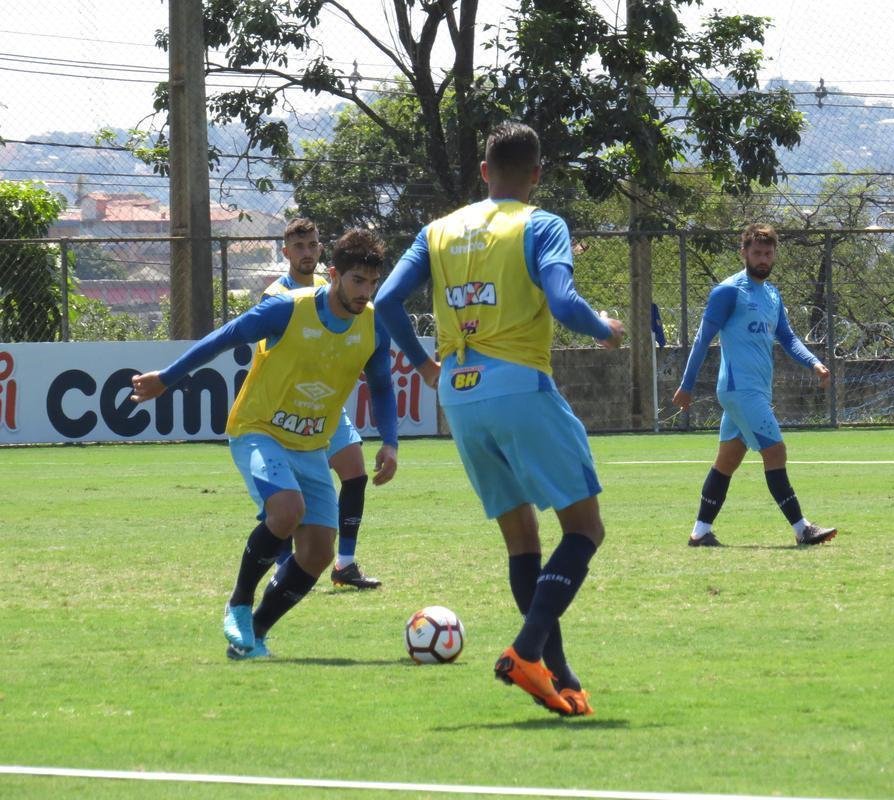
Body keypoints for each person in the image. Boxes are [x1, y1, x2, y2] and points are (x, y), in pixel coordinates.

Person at [375, 121, 624, 717]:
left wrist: (424, 365)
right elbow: (562, 301)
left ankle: (557, 675)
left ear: (484, 170)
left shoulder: (436, 231)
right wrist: (604, 328)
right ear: (536, 174)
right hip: (518, 385)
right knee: (585, 529)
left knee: (522, 540)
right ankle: (527, 650)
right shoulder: (541, 224)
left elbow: (385, 301)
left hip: (458, 395)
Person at [130, 228, 399, 659]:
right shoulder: (287, 309)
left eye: (372, 283)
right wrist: (167, 378)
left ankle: (254, 633)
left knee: (318, 553)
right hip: (259, 429)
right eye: (356, 281)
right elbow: (224, 337)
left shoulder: (373, 324)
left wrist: (390, 441)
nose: (364, 292)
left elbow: (382, 385)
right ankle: (238, 602)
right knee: (287, 510)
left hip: (310, 443)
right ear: (334, 275)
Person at [671, 222, 836, 548]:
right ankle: (802, 529)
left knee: (727, 461)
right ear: (743, 252)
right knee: (775, 451)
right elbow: (702, 339)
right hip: (739, 390)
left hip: (755, 391)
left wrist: (813, 362)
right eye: (757, 252)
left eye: (768, 253)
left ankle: (700, 532)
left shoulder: (772, 294)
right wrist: (686, 385)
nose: (763, 259)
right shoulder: (728, 291)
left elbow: (787, 338)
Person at [265, 217, 382, 589]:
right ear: (286, 252)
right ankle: (283, 566)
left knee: (356, 474)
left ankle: (344, 564)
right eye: (299, 246)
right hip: (289, 407)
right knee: (289, 496)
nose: (307, 252)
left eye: (313, 245)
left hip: (327, 406)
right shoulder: (276, 295)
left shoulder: (331, 288)